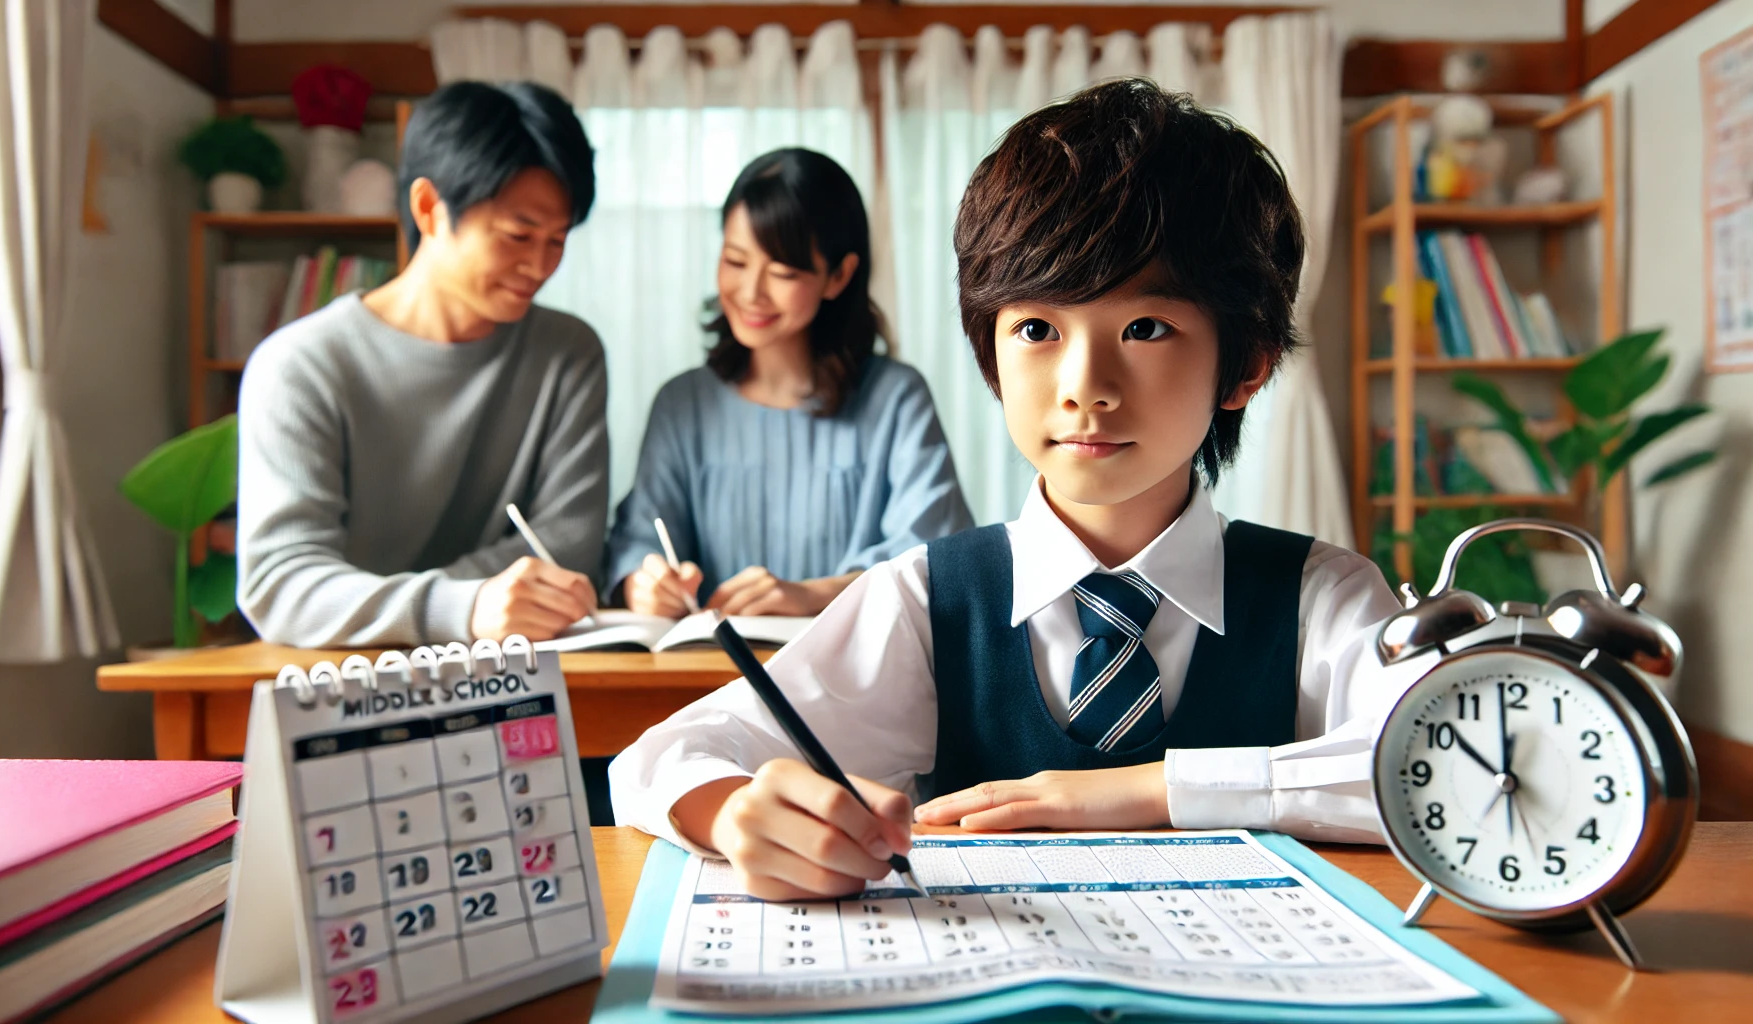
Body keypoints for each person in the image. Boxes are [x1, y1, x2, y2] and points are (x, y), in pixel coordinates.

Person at [610, 80, 1412, 901]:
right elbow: (660, 760)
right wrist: (737, 812)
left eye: (1145, 329)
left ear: (1245, 365)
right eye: (1037, 330)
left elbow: (1455, 758)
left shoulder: (1320, 596)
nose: (1084, 387)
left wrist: (1145, 794)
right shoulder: (928, 600)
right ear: (990, 351)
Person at [238, 81, 607, 648]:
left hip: (517, 681)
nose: (540, 264)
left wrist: (376, 601)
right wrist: (462, 606)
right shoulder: (301, 366)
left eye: (557, 239)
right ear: (430, 208)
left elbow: (570, 543)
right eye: (518, 235)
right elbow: (280, 583)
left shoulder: (567, 353)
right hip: (345, 689)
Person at [603, 148, 973, 618]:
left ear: (838, 276)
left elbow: (942, 559)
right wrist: (643, 583)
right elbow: (638, 538)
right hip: (704, 681)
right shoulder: (683, 404)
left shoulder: (896, 399)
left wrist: (814, 596)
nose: (751, 292)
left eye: (782, 272)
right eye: (735, 261)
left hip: (863, 684)